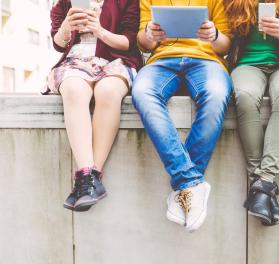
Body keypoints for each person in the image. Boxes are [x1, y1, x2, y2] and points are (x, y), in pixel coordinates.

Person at [132, 0, 232, 232]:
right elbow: (144, 44)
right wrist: (149, 34)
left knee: (216, 95)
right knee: (142, 92)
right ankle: (191, 182)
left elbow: (226, 45)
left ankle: (183, 188)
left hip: (207, 61)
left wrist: (214, 35)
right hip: (162, 61)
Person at [46, 0, 143, 212]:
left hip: (115, 59)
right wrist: (66, 28)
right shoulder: (65, 2)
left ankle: (88, 179)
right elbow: (58, 43)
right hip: (75, 61)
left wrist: (99, 31)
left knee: (108, 91)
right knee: (72, 90)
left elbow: (129, 41)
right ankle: (88, 178)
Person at [224, 0, 279, 225]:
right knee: (244, 96)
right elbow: (224, 38)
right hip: (246, 64)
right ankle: (263, 188)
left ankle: (262, 182)